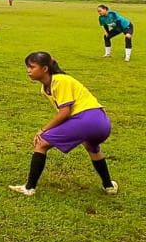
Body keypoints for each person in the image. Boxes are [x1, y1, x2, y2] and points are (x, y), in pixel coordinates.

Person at [9, 52, 118, 196]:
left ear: (45, 69)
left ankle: (29, 188)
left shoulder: (59, 80)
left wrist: (43, 130)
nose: (28, 71)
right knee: (92, 147)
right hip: (101, 123)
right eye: (27, 67)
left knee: (41, 143)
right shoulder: (46, 87)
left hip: (87, 119)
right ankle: (109, 186)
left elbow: (65, 112)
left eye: (32, 67)